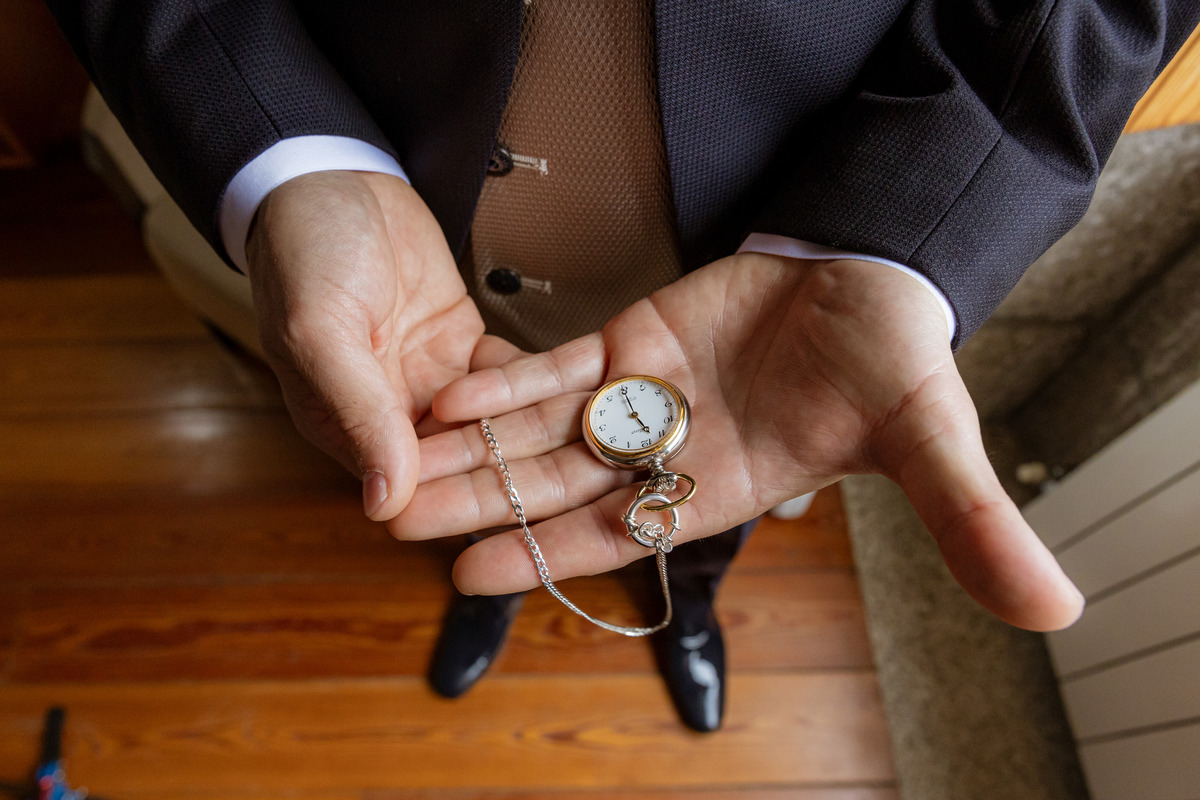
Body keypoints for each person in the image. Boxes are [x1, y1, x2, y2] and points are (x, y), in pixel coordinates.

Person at [47, 0, 1198, 731]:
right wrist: (291, 155)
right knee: (463, 458)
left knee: (705, 498)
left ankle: (688, 605)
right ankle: (499, 585)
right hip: (411, 210)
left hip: (772, 236)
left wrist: (895, 229)